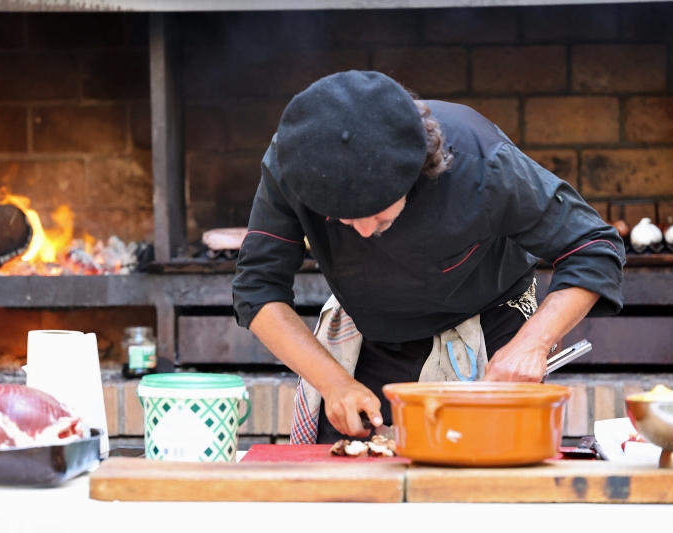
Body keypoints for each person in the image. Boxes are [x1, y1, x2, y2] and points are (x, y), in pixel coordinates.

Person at [232, 71, 624, 443]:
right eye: (345, 220)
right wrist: (333, 382)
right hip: (370, 335)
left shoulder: (482, 163)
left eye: (379, 214)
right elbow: (258, 289)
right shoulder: (294, 162)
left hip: (493, 334)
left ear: (418, 170)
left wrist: (533, 344)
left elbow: (593, 246)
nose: (365, 232)